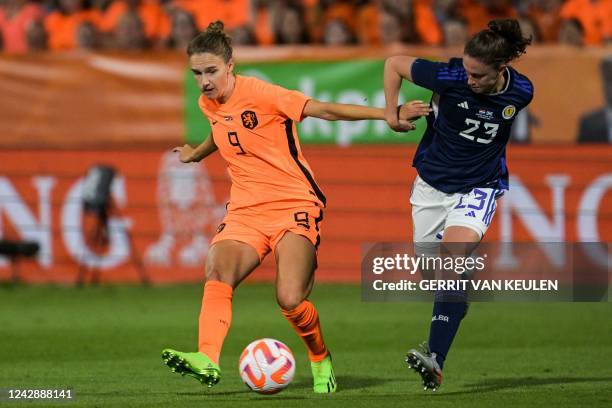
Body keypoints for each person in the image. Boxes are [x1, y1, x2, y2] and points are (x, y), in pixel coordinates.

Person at [161, 20, 430, 393]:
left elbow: (324, 110)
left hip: (293, 203)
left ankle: (320, 358)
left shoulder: (263, 94)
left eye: (211, 71)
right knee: (217, 274)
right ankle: (207, 357)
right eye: (196, 73)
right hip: (245, 210)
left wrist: (387, 114)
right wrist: (196, 154)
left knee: (289, 298)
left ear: (230, 66)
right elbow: (220, 130)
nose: (204, 81)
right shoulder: (207, 102)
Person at [383, 19, 533, 390]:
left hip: (479, 188)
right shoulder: (447, 75)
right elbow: (393, 64)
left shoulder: (522, 91)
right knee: (431, 273)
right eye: (466, 70)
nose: (469, 80)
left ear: (501, 70)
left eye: (478, 75)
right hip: (432, 186)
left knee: (452, 260)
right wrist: (391, 113)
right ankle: (455, 298)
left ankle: (434, 358)